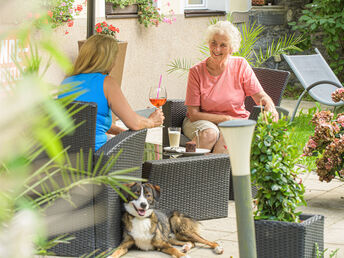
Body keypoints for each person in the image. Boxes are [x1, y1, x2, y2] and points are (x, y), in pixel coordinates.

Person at [183, 21, 278, 154]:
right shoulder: (196, 71)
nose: (216, 49)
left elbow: (260, 96)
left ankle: (211, 173)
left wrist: (270, 106)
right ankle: (188, 168)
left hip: (235, 122)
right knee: (210, 133)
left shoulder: (240, 65)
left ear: (231, 48)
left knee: (228, 137)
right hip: (202, 121)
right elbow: (194, 115)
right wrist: (225, 119)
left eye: (223, 45)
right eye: (214, 43)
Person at [60, 34, 164, 151]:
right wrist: (152, 121)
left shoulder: (66, 82)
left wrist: (119, 131)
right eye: (115, 57)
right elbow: (135, 123)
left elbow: (87, 122)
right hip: (98, 158)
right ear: (108, 60)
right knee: (144, 151)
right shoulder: (107, 83)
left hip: (68, 157)